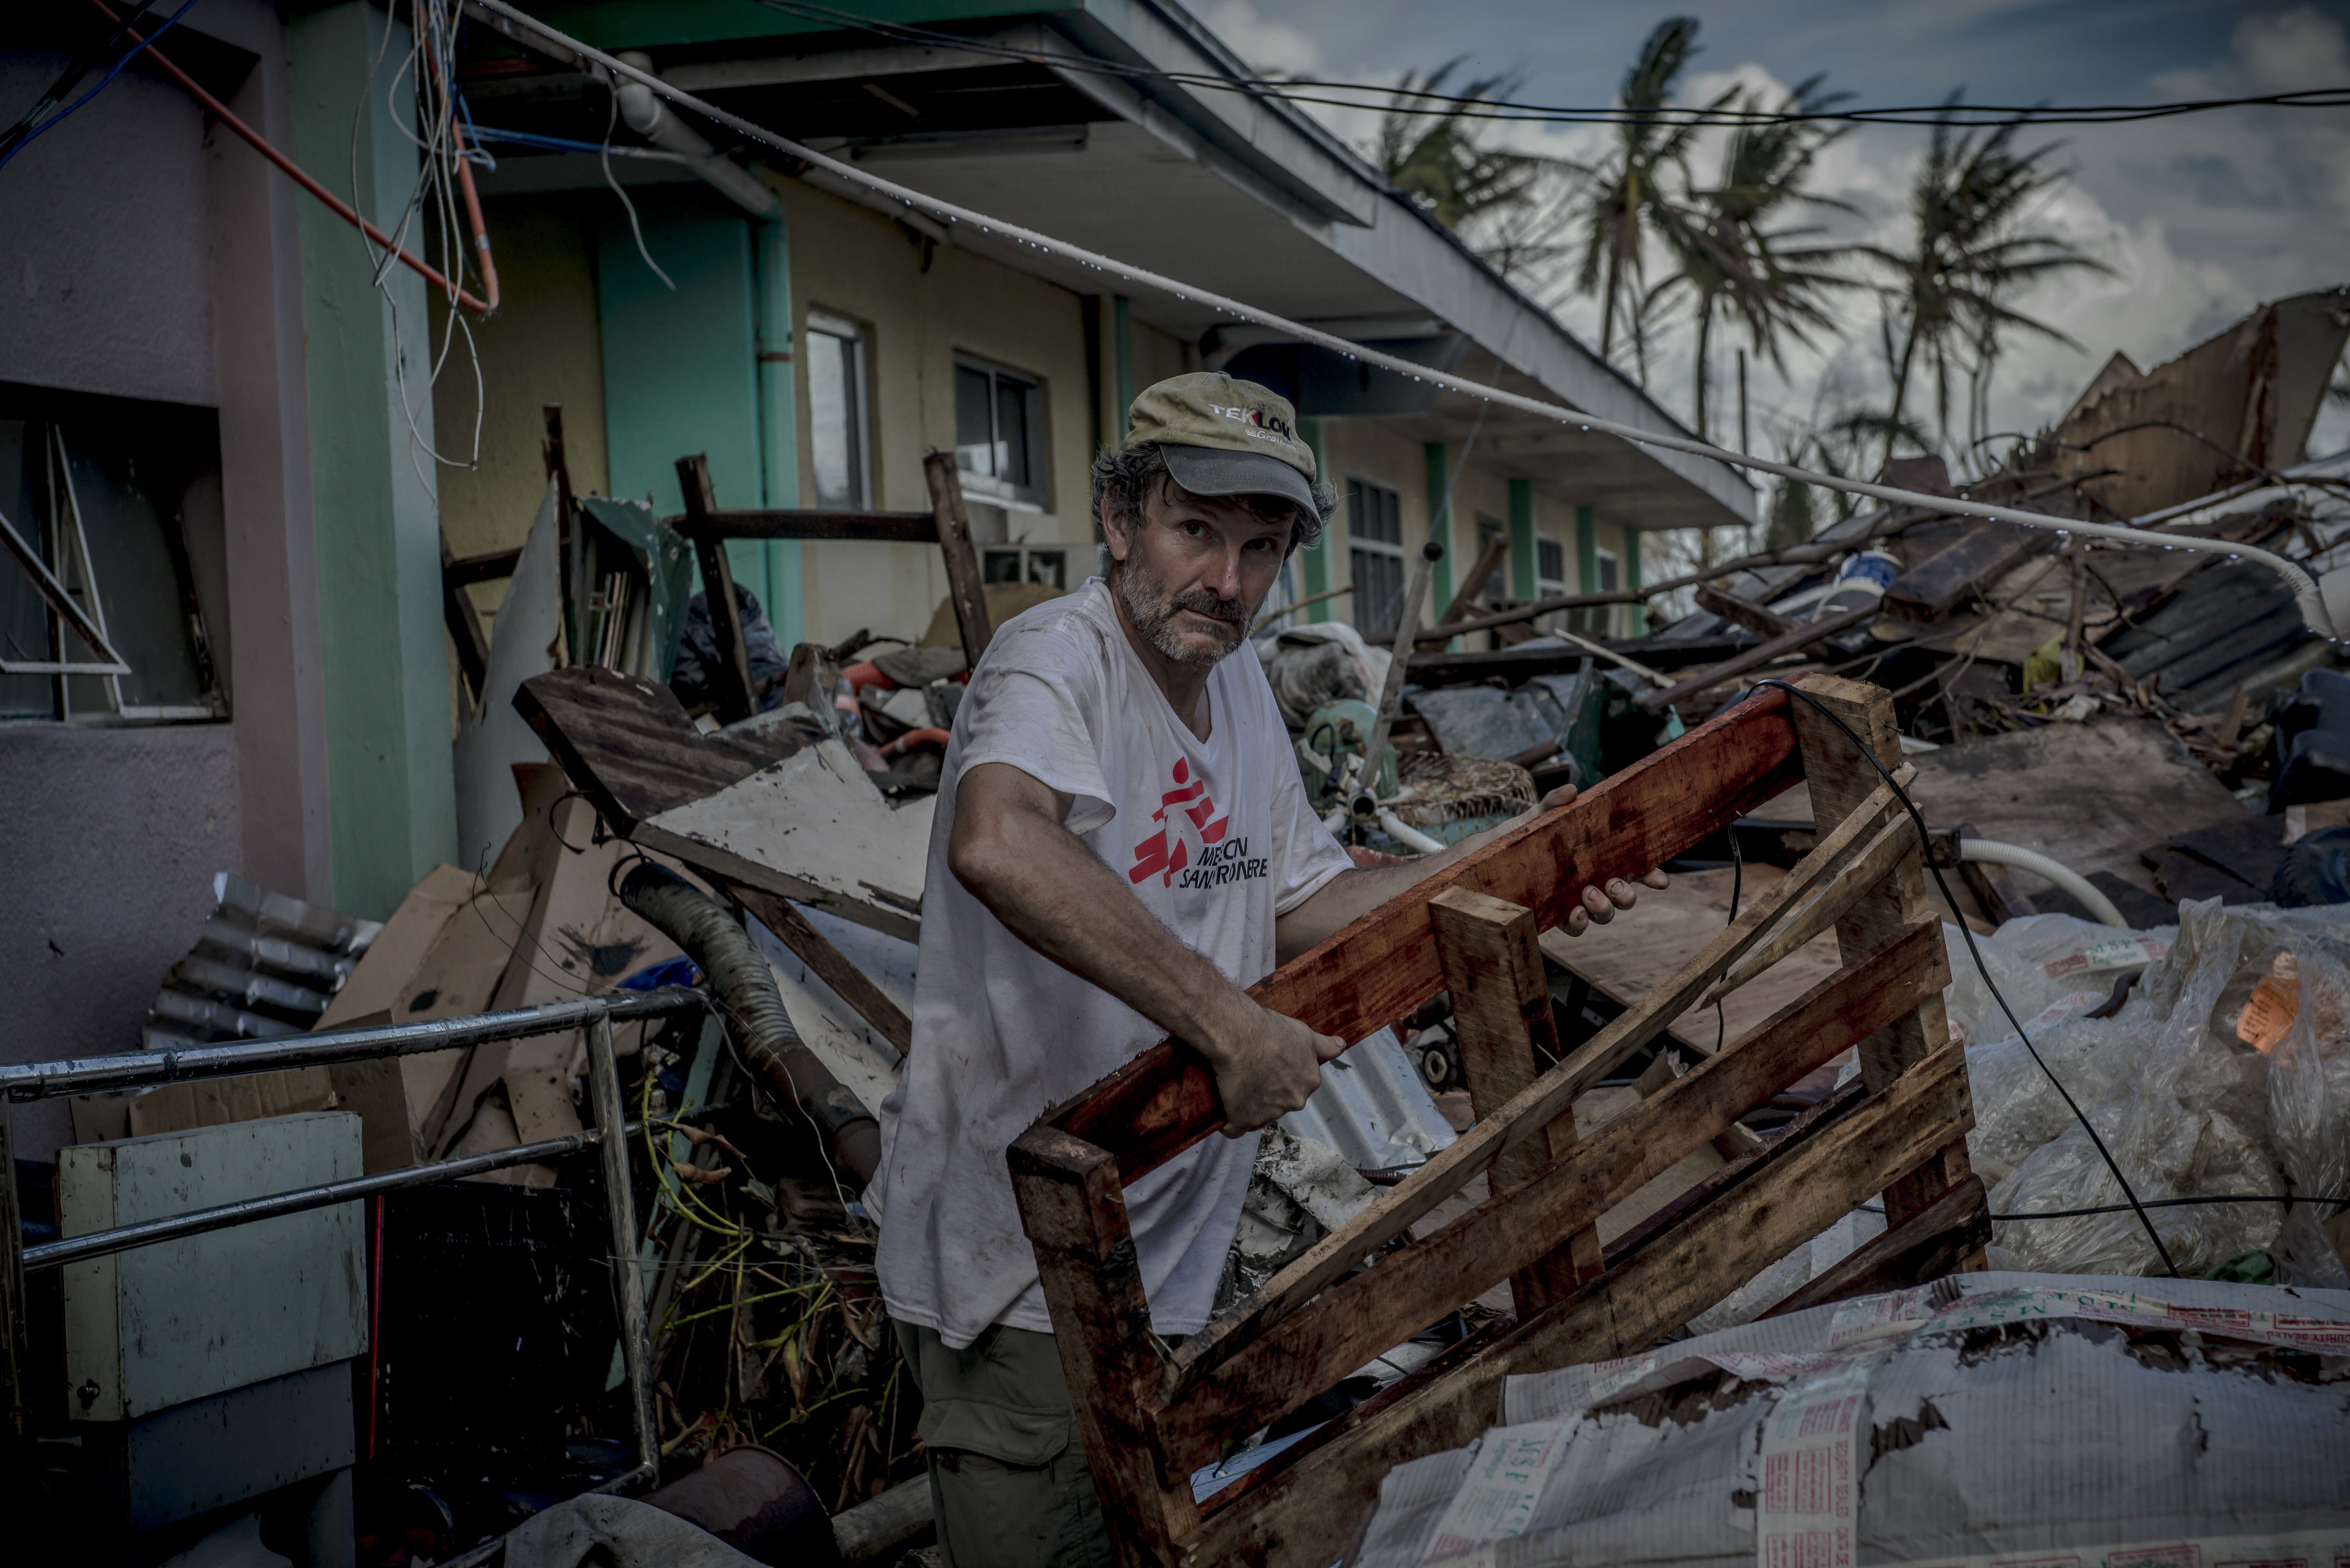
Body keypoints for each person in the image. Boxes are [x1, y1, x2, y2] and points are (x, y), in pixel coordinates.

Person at [868, 372, 1663, 1567]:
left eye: (1259, 547)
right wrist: (1229, 1029)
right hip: (1018, 1271)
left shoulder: (1235, 680)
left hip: (1169, 1259)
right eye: (1196, 533)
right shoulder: (1055, 662)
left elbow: (1303, 899)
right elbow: (998, 840)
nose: (1227, 583)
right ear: (1123, 521)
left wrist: (1522, 876)